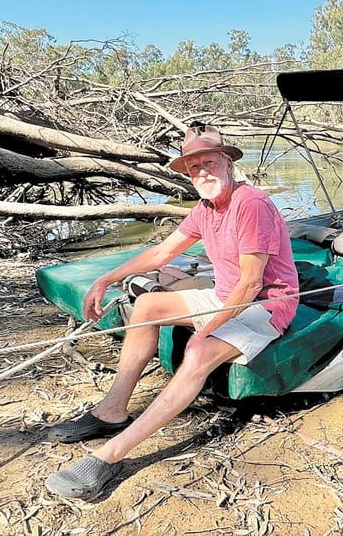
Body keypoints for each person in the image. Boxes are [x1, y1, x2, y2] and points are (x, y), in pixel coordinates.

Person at [44, 126, 299, 499]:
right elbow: (163, 254)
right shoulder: (205, 208)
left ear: (227, 163)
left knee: (198, 351)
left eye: (209, 162)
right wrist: (105, 278)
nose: (203, 172)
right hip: (227, 294)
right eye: (194, 167)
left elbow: (250, 284)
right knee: (147, 304)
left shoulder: (251, 204)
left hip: (264, 304)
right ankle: (112, 412)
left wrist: (207, 329)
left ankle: (109, 457)